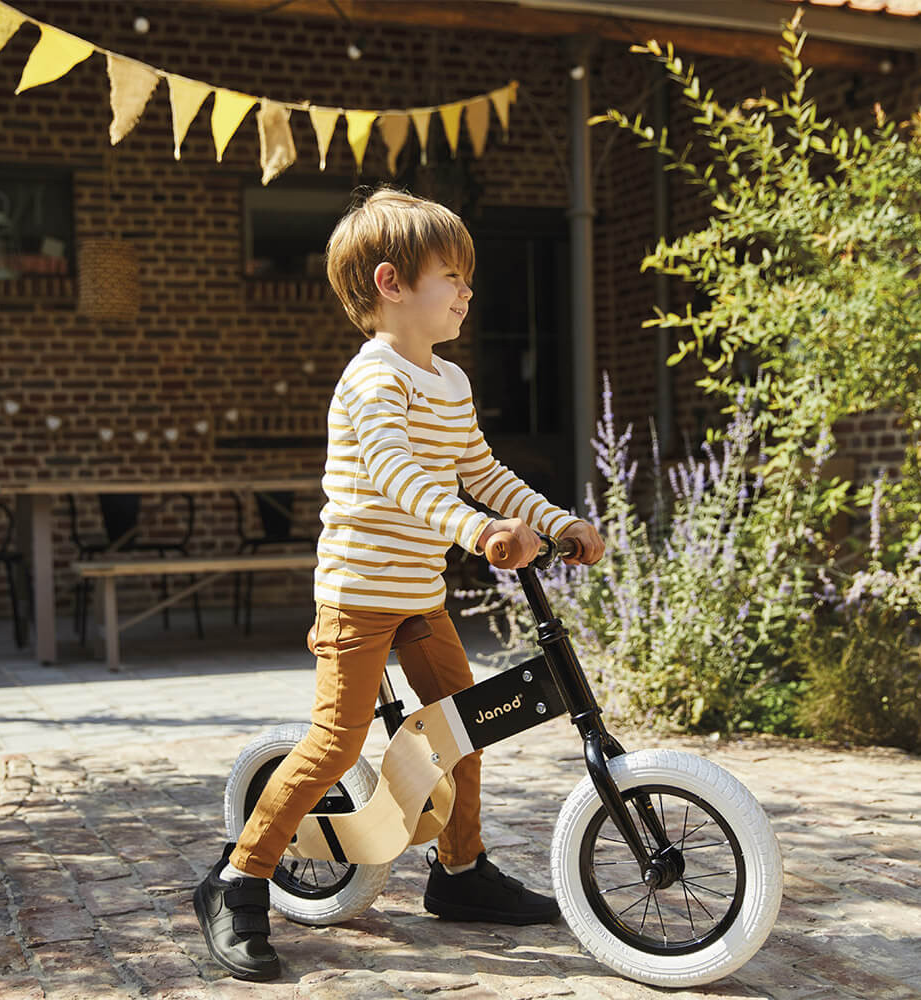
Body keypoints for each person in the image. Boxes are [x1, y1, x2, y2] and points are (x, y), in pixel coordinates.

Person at [194, 187, 604, 982]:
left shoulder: (448, 382)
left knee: (466, 725)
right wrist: (477, 532)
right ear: (391, 283)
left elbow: (481, 470)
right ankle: (237, 881)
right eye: (452, 275)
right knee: (336, 743)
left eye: (466, 278)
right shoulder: (372, 379)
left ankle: (460, 873)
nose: (467, 291)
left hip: (419, 596)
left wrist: (555, 520)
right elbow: (396, 473)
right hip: (357, 594)